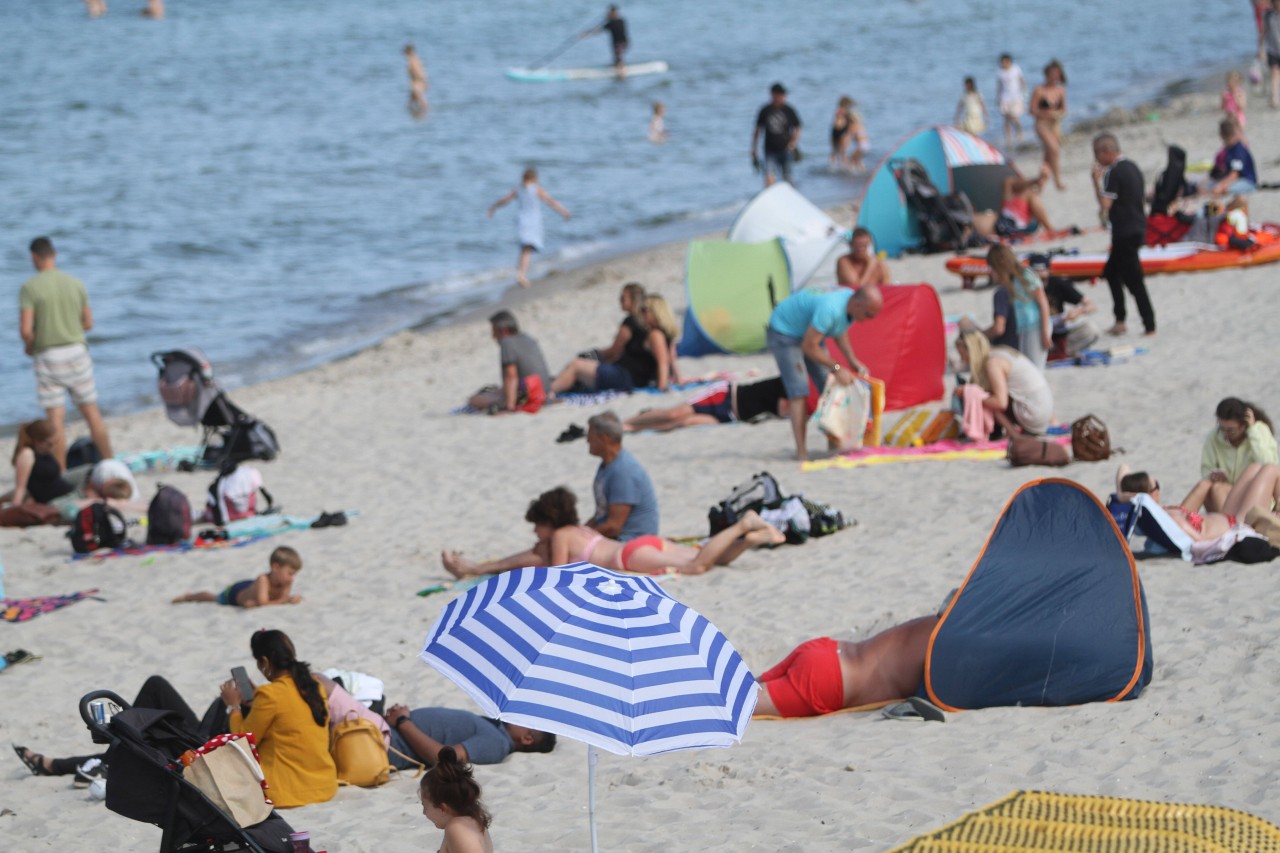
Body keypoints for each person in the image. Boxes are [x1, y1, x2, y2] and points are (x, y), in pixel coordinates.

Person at [440, 487, 784, 578]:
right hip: (636, 546)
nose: (535, 530)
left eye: (537, 524)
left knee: (697, 565)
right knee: (708, 560)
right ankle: (747, 540)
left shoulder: (560, 537)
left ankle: (742, 524)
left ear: (549, 520)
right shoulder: (576, 529)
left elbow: (561, 575)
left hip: (628, 556)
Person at [19, 237, 113, 467]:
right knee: (92, 414)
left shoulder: (30, 287)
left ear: (34, 257)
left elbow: (25, 330)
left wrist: (31, 344)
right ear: (55, 255)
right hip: (77, 353)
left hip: (48, 357)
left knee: (55, 422)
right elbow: (88, 323)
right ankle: (113, 466)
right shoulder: (75, 283)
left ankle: (60, 474)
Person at [220, 630, 337, 808]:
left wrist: (233, 706)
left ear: (265, 662)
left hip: (286, 791)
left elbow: (243, 741)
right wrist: (257, 701)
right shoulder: (314, 687)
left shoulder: (270, 695)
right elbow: (288, 712)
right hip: (324, 786)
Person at [766, 285, 883, 461]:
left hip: (808, 332)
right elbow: (809, 346)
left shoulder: (848, 304)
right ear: (858, 304)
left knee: (829, 387)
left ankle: (833, 444)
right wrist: (837, 368)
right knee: (798, 391)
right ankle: (801, 452)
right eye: (868, 315)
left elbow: (839, 331)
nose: (867, 320)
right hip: (785, 332)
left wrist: (852, 362)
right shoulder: (831, 308)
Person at [754, 616, 940, 717]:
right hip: (834, 681)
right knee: (736, 704)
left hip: (827, 649)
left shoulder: (936, 618)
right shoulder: (948, 650)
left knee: (737, 687)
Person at [1116, 463, 1280, 543]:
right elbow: (1198, 542)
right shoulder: (1170, 519)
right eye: (1156, 486)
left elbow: (1123, 469)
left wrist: (1126, 496)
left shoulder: (1158, 513)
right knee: (1271, 470)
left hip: (1228, 517)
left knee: (1254, 467)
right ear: (1151, 495)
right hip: (1239, 526)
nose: (1159, 490)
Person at [1091, 133, 1155, 337]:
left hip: (1125, 232)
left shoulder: (1113, 172)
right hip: (1137, 226)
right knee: (1111, 272)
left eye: (1097, 154)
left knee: (1134, 279)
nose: (1096, 160)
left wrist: (1095, 182)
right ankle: (1120, 319)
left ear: (1106, 152)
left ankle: (1149, 324)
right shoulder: (1133, 167)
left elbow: (1105, 205)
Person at [550, 292, 677, 394]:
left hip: (626, 377)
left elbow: (663, 363)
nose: (641, 313)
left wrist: (662, 386)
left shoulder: (654, 334)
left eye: (644, 310)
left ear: (656, 311)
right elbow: (671, 360)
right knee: (578, 369)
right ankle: (552, 387)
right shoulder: (666, 334)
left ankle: (547, 394)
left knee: (576, 365)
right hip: (629, 376)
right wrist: (678, 379)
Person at [384, 704, 554, 768]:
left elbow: (444, 759)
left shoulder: (497, 743)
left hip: (389, 745)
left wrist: (402, 721)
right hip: (386, 732)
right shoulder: (496, 730)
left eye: (526, 721)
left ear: (527, 739)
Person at [955, 330, 1054, 436]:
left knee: (985, 396)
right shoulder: (1000, 353)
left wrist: (969, 393)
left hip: (1034, 413)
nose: (962, 359)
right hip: (1044, 410)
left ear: (971, 351)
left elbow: (1000, 403)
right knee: (988, 393)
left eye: (962, 354)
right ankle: (1010, 432)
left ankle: (1012, 434)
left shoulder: (993, 363)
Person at [487, 168, 571, 288]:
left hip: (521, 222)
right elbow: (551, 202)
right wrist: (564, 211)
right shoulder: (537, 190)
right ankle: (521, 275)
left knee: (525, 248)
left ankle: (521, 273)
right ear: (534, 178)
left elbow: (504, 200)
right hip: (533, 222)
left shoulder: (518, 190)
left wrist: (493, 206)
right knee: (527, 249)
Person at [584, 411, 658, 540]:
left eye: (590, 435)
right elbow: (600, 514)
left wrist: (581, 538)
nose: (587, 440)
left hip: (629, 541)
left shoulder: (623, 471)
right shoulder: (607, 466)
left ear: (604, 438)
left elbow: (614, 526)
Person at [623, 376, 788, 432]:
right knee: (672, 414)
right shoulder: (784, 383)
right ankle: (627, 422)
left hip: (730, 416)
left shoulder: (794, 397)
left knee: (682, 423)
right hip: (725, 395)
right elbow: (783, 409)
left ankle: (636, 427)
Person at [1197, 398, 1278, 512]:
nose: (1225, 434)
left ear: (1243, 426)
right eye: (1222, 428)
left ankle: (1228, 523)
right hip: (1225, 493)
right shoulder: (1214, 437)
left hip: (1253, 494)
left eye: (1231, 430)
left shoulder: (1260, 431)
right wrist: (1214, 475)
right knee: (1215, 488)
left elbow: (1269, 465)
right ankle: (1229, 524)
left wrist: (1253, 432)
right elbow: (1205, 469)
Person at [467, 311, 551, 413]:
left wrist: (509, 406)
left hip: (529, 394)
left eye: (494, 331)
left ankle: (504, 402)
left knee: (474, 399)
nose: (493, 336)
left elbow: (511, 376)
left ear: (504, 331)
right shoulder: (528, 338)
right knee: (496, 391)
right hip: (544, 391)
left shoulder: (507, 342)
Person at [985, 245, 1052, 369]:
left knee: (1035, 367)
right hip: (1023, 328)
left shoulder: (1025, 274)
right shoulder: (1010, 280)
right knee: (1028, 366)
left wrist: (1044, 331)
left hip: (1036, 325)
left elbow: (1043, 303)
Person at [172, 546, 304, 607]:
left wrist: (291, 598)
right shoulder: (263, 579)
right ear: (275, 567)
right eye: (290, 573)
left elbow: (281, 598)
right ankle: (189, 596)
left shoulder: (286, 581)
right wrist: (286, 600)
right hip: (235, 593)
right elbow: (264, 602)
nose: (292, 578)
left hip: (250, 587)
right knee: (213, 597)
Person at [418, 748, 494, 853]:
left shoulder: (457, 828)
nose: (424, 813)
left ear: (442, 808)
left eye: (424, 806)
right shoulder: (475, 822)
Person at [972, 174, 1057, 239]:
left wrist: (1037, 181)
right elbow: (1008, 182)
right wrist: (1036, 181)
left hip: (1006, 225)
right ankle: (1050, 229)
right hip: (1002, 224)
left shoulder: (1029, 196)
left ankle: (1050, 228)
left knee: (1033, 196)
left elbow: (1010, 182)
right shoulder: (1009, 196)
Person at [752, 83, 802, 187]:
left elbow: (797, 127)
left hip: (786, 150)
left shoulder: (788, 110)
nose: (783, 97)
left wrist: (793, 143)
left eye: (783, 95)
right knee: (769, 179)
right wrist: (754, 148)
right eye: (780, 95)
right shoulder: (765, 110)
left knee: (788, 179)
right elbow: (757, 130)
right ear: (773, 95)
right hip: (770, 151)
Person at [1029, 60, 1068, 190]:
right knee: (1054, 149)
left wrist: (1058, 115)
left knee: (1048, 155)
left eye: (1057, 73)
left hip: (1055, 125)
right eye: (1052, 73)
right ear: (1047, 74)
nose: (1055, 76)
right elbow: (1032, 110)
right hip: (1042, 125)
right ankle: (1057, 181)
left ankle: (1040, 182)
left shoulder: (1060, 90)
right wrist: (1047, 114)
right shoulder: (1039, 90)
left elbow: (1064, 110)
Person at [1200, 118, 1258, 196]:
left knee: (1223, 189)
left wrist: (1220, 185)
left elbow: (1235, 173)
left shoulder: (1238, 150)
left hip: (1247, 181)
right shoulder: (1229, 149)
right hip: (1235, 179)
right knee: (1206, 186)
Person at [582, 4, 628, 75]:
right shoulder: (610, 23)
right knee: (616, 58)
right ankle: (617, 69)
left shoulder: (620, 21)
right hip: (615, 44)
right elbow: (598, 30)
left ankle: (622, 73)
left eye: (610, 13)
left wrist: (608, 19)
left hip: (622, 43)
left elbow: (615, 25)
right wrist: (586, 34)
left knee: (619, 57)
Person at [996, 53, 1026, 149]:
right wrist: (998, 97)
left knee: (1013, 116)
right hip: (1005, 98)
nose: (1003, 63)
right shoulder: (1000, 72)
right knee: (1006, 120)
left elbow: (1022, 81)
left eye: (1004, 61)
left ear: (1009, 61)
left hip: (1016, 97)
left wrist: (1024, 93)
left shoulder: (1016, 69)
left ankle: (1019, 129)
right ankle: (1008, 140)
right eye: (1001, 61)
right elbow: (999, 86)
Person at [404, 44, 429, 116]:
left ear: (408, 51)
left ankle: (425, 112)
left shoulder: (412, 60)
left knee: (421, 101)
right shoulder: (415, 58)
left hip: (417, 83)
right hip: (416, 82)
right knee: (410, 102)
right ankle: (409, 113)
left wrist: (424, 81)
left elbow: (417, 71)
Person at [846, 101, 869, 174]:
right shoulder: (859, 124)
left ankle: (850, 173)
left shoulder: (852, 126)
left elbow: (849, 136)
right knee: (858, 160)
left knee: (851, 160)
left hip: (861, 146)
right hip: (866, 145)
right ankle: (863, 171)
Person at [829, 96, 853, 167]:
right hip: (843, 130)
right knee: (843, 152)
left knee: (834, 151)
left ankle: (832, 167)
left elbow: (835, 122)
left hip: (835, 130)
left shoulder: (837, 110)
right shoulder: (846, 111)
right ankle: (843, 166)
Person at [1222, 70, 1248, 136]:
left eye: (1230, 82)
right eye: (1227, 81)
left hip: (1238, 116)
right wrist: (1223, 99)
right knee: (1230, 134)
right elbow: (1223, 107)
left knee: (1239, 133)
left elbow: (1242, 107)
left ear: (1237, 83)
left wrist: (1236, 98)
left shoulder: (1240, 93)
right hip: (1229, 116)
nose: (1228, 84)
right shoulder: (1226, 93)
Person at [1265, 0, 1280, 108]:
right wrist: (1260, 48)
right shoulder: (1269, 15)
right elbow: (1264, 31)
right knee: (1274, 73)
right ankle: (1274, 98)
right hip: (1273, 49)